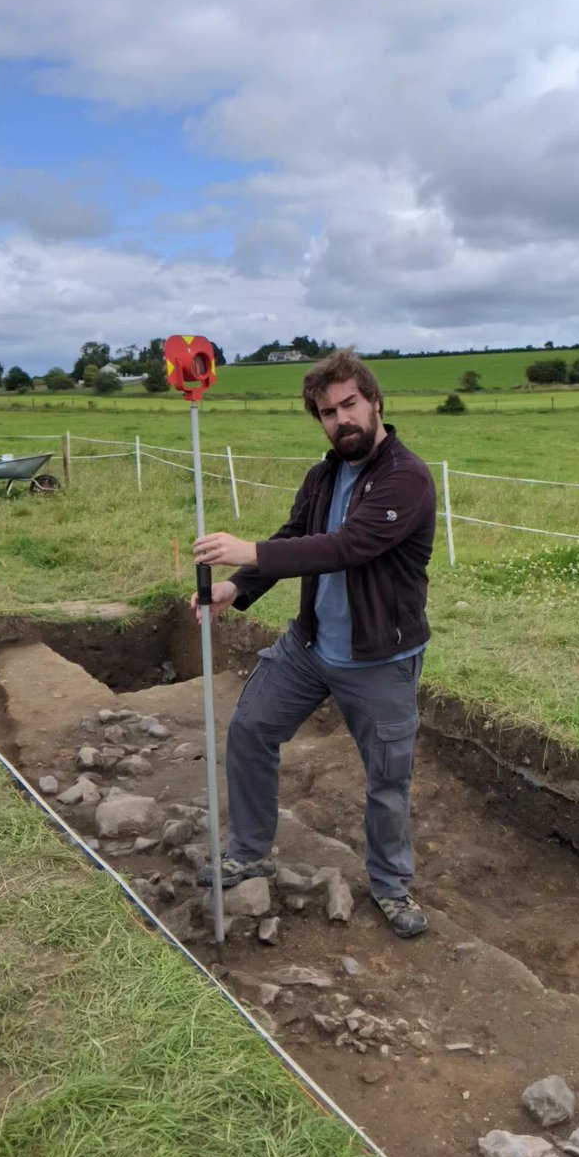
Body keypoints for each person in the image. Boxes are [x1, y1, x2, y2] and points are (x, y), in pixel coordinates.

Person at [192, 348, 436, 937]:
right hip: (311, 647)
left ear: (375, 402)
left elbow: (346, 546)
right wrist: (236, 585)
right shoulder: (324, 474)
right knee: (250, 729)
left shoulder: (406, 477)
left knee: (386, 779)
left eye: (349, 404)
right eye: (327, 412)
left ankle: (390, 885)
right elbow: (298, 535)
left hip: (381, 659)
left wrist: (249, 550)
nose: (340, 419)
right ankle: (250, 850)